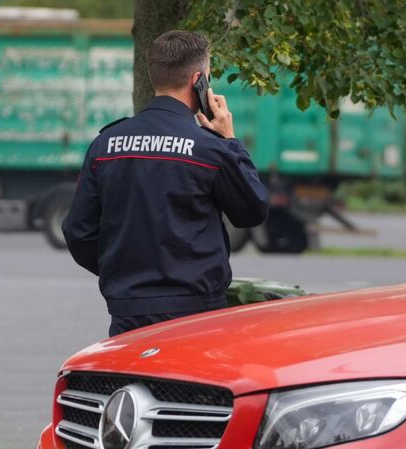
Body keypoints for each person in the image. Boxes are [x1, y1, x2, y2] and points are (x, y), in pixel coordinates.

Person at [62, 30, 269, 337]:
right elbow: (252, 211)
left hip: (128, 310)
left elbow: (78, 231)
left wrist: (124, 274)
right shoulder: (210, 149)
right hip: (195, 315)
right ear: (198, 81)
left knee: (134, 384)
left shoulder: (105, 144)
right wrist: (230, 140)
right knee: (188, 385)